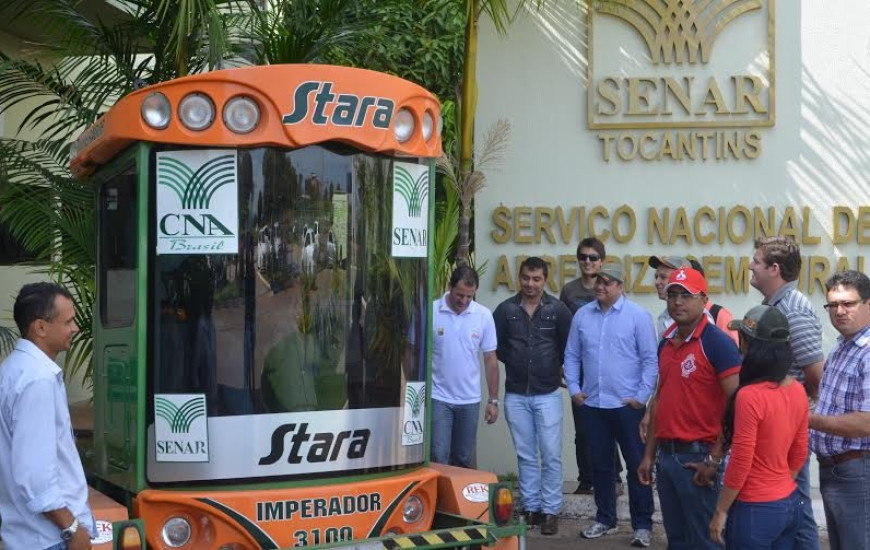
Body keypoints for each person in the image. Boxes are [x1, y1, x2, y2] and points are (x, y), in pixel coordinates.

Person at [637, 268, 741, 549]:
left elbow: (737, 404)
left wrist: (715, 459)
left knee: (706, 540)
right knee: (678, 540)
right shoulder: (666, 342)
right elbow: (660, 399)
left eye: (686, 295)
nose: (677, 302)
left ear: (703, 299)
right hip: (667, 458)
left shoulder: (716, 342)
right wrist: (649, 456)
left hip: (698, 458)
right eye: (672, 295)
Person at [565, 262, 657, 547]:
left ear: (621, 286)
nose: (600, 287)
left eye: (607, 282)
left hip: (627, 406)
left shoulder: (638, 316)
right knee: (601, 466)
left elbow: (650, 361)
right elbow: (571, 356)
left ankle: (642, 525)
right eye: (598, 282)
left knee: (637, 466)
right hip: (593, 405)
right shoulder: (582, 315)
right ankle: (605, 519)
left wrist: (641, 397)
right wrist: (575, 389)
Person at [0, 283, 96, 550]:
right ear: (40, 327)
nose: (75, 328)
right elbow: (35, 475)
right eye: (68, 321)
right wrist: (72, 528)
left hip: (29, 535)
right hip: (49, 539)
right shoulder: (36, 380)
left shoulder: (13, 370)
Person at [709, 305, 808, 548]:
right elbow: (800, 450)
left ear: (748, 344)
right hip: (788, 502)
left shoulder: (750, 396)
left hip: (755, 508)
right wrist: (780, 485)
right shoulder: (797, 389)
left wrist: (721, 510)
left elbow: (742, 459)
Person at [750, 236, 823, 549]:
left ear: (774, 268)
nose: (750, 265)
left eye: (756, 260)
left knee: (797, 506)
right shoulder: (774, 306)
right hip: (771, 428)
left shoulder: (795, 311)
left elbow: (815, 379)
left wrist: (789, 415)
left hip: (788, 432)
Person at [494, 256, 572, 536]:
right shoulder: (505, 310)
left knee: (551, 454)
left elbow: (567, 346)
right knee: (526, 455)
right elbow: (499, 349)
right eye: (526, 278)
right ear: (520, 277)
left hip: (548, 392)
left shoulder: (558, 310)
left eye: (536, 279)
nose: (530, 284)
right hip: (516, 393)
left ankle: (550, 511)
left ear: (545, 280)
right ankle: (531, 508)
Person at [809, 270, 870, 549]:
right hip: (834, 471)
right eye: (833, 305)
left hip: (858, 471)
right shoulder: (842, 348)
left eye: (848, 303)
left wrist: (808, 419)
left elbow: (866, 422)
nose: (839, 311)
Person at [559, 237, 623, 496]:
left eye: (593, 257)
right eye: (583, 257)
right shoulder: (569, 291)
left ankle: (615, 477)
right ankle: (586, 479)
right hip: (581, 368)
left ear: (602, 261)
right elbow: (562, 330)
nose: (588, 262)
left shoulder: (610, 288)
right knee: (583, 428)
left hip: (606, 368)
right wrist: (562, 365)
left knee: (611, 424)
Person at [431, 266, 499, 468]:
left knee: (463, 458)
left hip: (469, 399)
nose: (464, 301)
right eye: (460, 295)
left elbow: (490, 359)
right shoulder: (431, 310)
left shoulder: (483, 315)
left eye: (469, 296)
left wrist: (493, 400)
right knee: (438, 455)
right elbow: (412, 351)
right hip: (438, 397)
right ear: (450, 287)